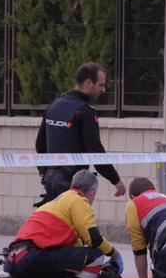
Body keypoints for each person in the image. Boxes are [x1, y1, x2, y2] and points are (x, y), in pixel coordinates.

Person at [0, 170, 123, 278]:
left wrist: (98, 272)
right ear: (92, 191)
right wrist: (114, 255)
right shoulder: (78, 200)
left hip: (15, 260)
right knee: (96, 256)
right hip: (34, 258)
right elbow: (93, 240)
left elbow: (76, 251)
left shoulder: (55, 204)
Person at [35, 62, 126, 204]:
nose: (103, 90)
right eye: (101, 85)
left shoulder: (54, 105)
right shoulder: (85, 111)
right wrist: (116, 180)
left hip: (51, 181)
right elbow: (95, 151)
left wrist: (45, 171)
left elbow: (40, 143)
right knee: (77, 224)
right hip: (72, 183)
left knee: (55, 223)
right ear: (89, 83)